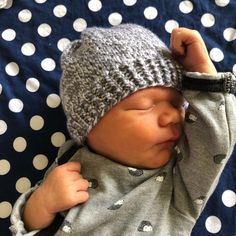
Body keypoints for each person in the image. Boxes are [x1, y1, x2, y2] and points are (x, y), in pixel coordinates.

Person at [10, 24, 236, 236]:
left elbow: (214, 142)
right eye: (146, 106)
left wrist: (203, 76)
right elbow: (28, 229)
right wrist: (40, 205)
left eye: (178, 104)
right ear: (90, 124)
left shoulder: (179, 180)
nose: (174, 116)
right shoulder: (69, 163)